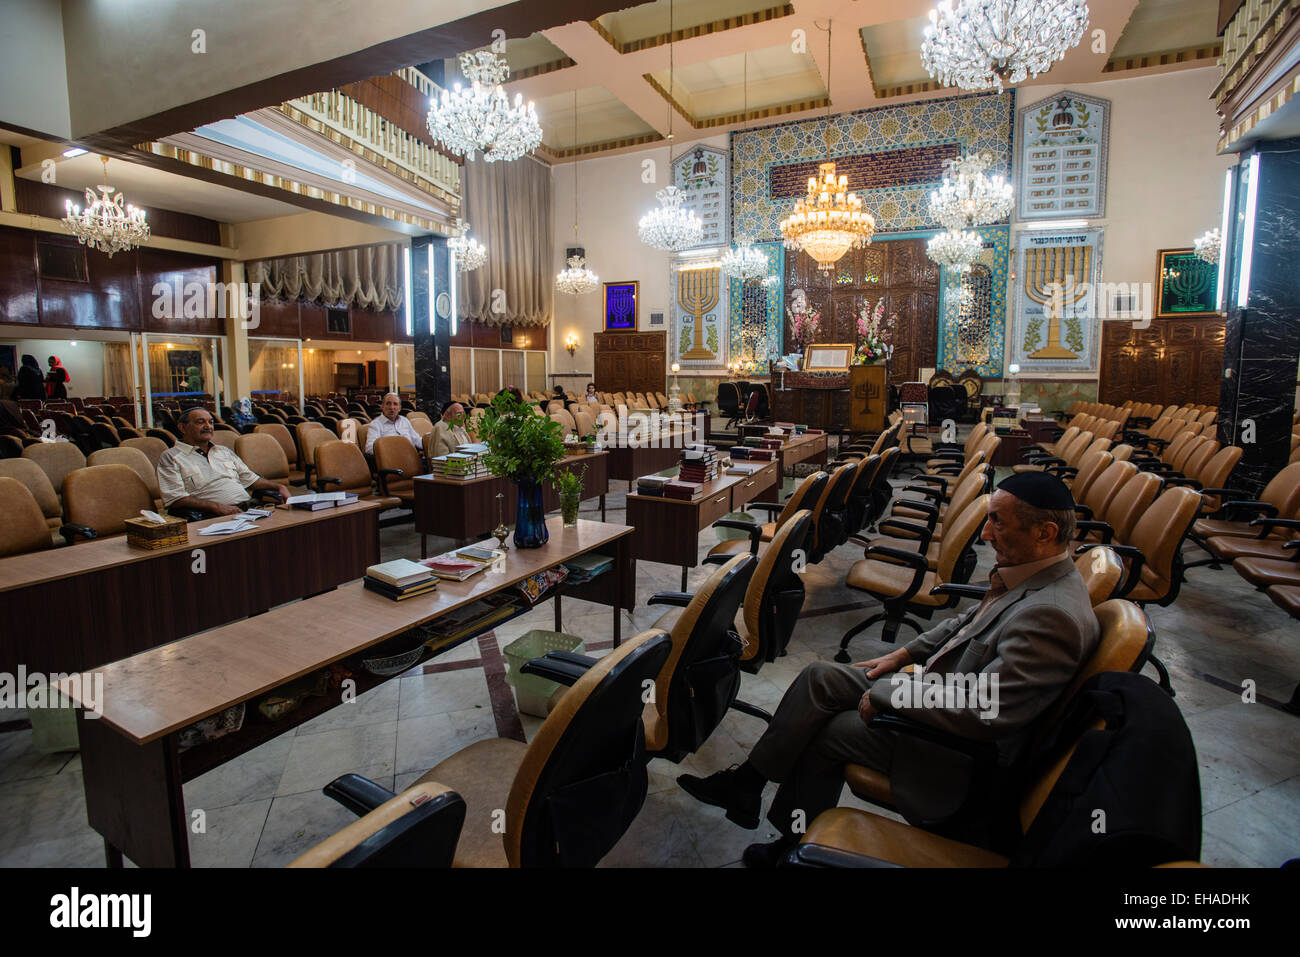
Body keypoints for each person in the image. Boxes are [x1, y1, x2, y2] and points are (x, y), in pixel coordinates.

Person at [677, 471, 1100, 867]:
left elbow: (988, 707)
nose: (986, 535)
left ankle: (792, 842)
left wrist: (887, 694)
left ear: (1044, 533)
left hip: (953, 747)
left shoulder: (1053, 615)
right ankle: (748, 785)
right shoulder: (1034, 575)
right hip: (938, 687)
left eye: (999, 524)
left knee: (832, 731)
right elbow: (966, 624)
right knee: (818, 677)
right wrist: (902, 657)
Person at [156, 406, 290, 516]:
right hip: (211, 516)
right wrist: (216, 507)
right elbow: (175, 499)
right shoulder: (171, 457)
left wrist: (279, 487)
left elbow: (251, 479)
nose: (208, 426)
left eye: (210, 422)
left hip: (248, 509)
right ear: (182, 428)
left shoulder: (223, 451)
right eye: (200, 422)